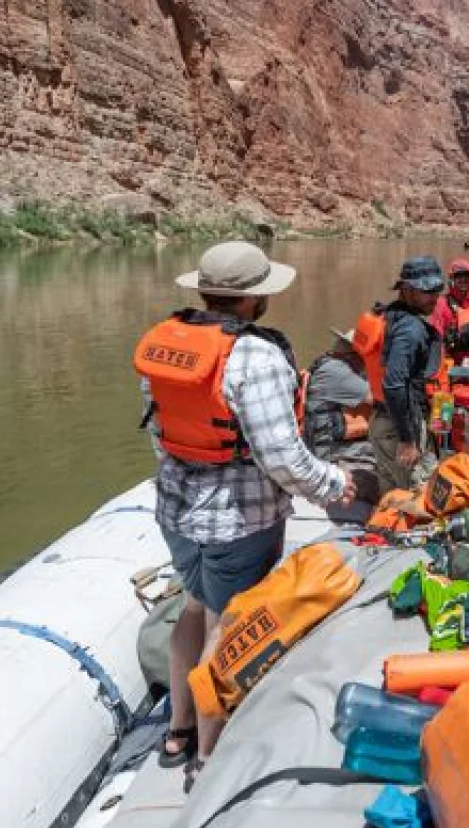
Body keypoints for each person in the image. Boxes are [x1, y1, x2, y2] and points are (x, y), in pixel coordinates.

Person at [134, 241, 355, 788]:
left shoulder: (168, 343)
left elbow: (161, 434)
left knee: (193, 605)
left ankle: (177, 730)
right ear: (255, 298)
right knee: (227, 623)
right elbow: (281, 456)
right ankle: (208, 755)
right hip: (240, 517)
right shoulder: (256, 356)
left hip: (176, 510)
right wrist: (333, 485)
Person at [369, 255, 445, 492]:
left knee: (391, 496)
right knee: (418, 498)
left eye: (437, 289)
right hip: (399, 427)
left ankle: (386, 528)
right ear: (407, 290)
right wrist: (408, 439)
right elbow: (393, 384)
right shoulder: (411, 330)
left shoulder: (389, 315)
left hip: (382, 420)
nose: (434, 297)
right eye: (427, 290)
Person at [301, 328, 380, 523]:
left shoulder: (332, 366)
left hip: (331, 448)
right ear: (356, 354)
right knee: (385, 482)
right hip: (331, 454)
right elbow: (378, 399)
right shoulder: (337, 372)